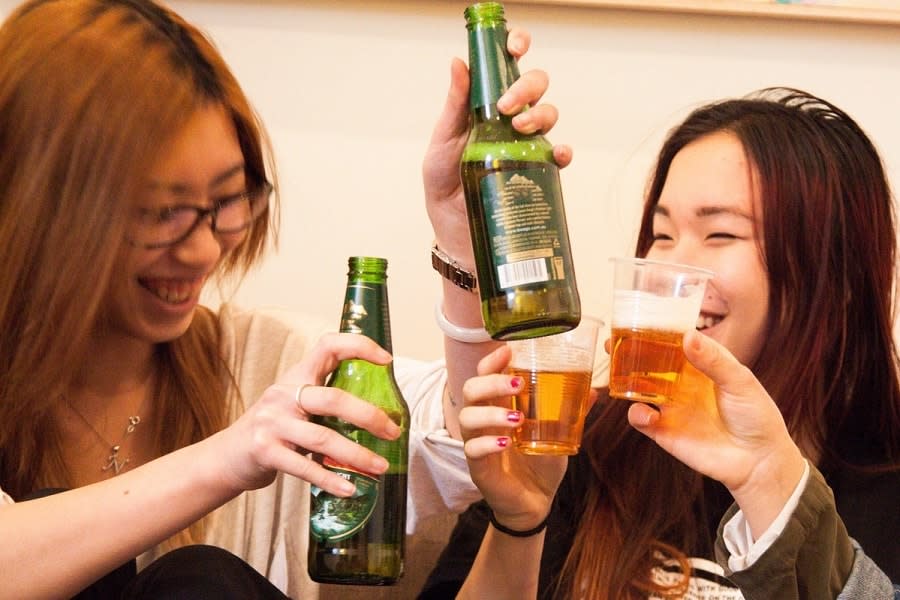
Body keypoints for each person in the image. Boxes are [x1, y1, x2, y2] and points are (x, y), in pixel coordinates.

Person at [0, 1, 564, 597]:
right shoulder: (262, 420)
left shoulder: (258, 362)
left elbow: (455, 440)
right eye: (162, 212)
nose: (200, 251)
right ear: (41, 201)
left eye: (226, 201)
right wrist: (227, 458)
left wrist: (460, 229)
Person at [420, 88, 900, 598]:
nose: (670, 266)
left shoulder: (884, 492)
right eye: (662, 233)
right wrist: (520, 522)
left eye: (720, 235)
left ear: (837, 277)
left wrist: (769, 483)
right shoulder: (576, 442)